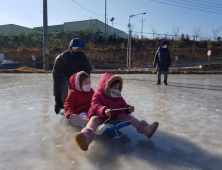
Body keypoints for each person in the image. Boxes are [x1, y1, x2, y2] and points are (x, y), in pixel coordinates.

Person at [74, 72, 159, 151]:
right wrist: (104, 110)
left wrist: (128, 109)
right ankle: (86, 137)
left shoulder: (118, 95)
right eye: (114, 88)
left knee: (130, 118)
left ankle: (147, 129)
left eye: (118, 88)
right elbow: (96, 106)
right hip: (99, 115)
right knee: (93, 122)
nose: (116, 90)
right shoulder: (98, 95)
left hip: (114, 115)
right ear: (106, 87)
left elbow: (123, 105)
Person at [53, 38, 91, 114]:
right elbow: (57, 80)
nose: (79, 51)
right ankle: (65, 105)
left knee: (83, 84)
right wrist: (57, 98)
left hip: (77, 77)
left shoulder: (85, 61)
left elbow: (86, 79)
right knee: (64, 80)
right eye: (77, 49)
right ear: (70, 49)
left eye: (81, 49)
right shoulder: (61, 59)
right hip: (64, 77)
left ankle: (79, 105)